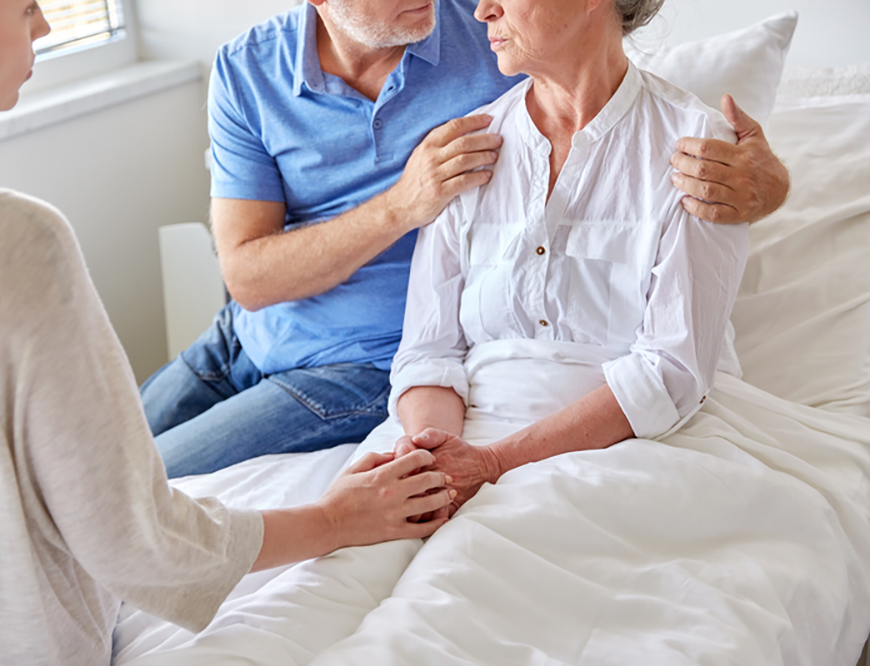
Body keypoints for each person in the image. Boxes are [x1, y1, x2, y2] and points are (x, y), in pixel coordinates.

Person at [0, 1, 455, 663]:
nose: (45, 25)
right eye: (27, 7)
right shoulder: (9, 240)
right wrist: (338, 519)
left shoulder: (486, 38)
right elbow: (133, 534)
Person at [140, 0, 791, 479]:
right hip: (246, 338)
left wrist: (772, 180)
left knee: (142, 484)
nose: (483, 9)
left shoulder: (488, 35)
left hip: (363, 363)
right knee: (58, 463)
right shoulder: (248, 68)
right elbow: (249, 279)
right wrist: (403, 203)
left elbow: (603, 83)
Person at [388, 0, 750, 514]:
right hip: (456, 440)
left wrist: (491, 465)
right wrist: (432, 460)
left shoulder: (698, 149)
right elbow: (429, 353)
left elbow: (673, 370)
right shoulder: (466, 145)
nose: (482, 11)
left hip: (630, 449)